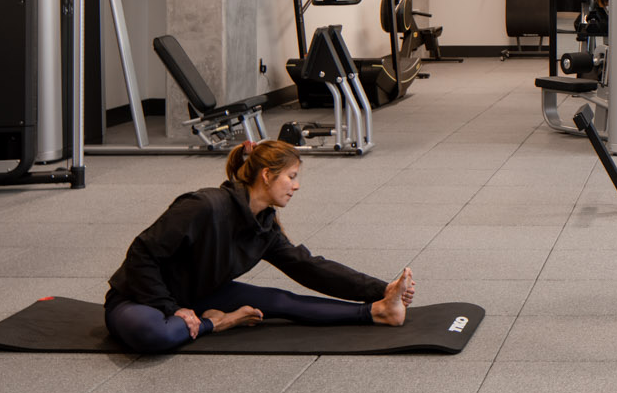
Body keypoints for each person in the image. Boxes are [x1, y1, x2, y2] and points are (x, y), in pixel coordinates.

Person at [103, 138, 415, 353]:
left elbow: (308, 267)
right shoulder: (204, 206)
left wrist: (381, 289)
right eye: (291, 176)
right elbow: (141, 254)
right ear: (267, 175)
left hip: (201, 294)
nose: (296, 185)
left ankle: (378, 312)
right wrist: (172, 309)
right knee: (155, 334)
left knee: (281, 301)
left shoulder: (263, 226)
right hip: (141, 299)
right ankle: (218, 322)